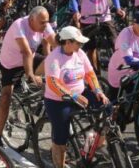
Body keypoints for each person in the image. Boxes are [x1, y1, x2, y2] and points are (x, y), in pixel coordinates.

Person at [44, 26, 109, 168]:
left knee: (106, 109)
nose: (81, 45)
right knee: (61, 140)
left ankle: (91, 146)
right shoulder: (54, 58)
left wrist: (98, 91)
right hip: (58, 100)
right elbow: (53, 83)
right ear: (67, 42)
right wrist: (73, 96)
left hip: (79, 93)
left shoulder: (79, 53)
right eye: (78, 43)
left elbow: (90, 74)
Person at [0, 6, 56, 146]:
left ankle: (42, 101)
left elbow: (54, 42)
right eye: (42, 23)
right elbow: (26, 52)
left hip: (30, 58)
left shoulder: (43, 24)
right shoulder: (19, 25)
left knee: (53, 69)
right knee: (6, 97)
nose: (45, 25)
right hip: (11, 63)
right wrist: (30, 75)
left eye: (47, 22)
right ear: (31, 19)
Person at [69, 0, 125, 70]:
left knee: (115, 43)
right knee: (90, 47)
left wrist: (118, 8)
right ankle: (95, 73)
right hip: (88, 18)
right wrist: (76, 11)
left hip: (105, 17)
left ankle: (118, 67)